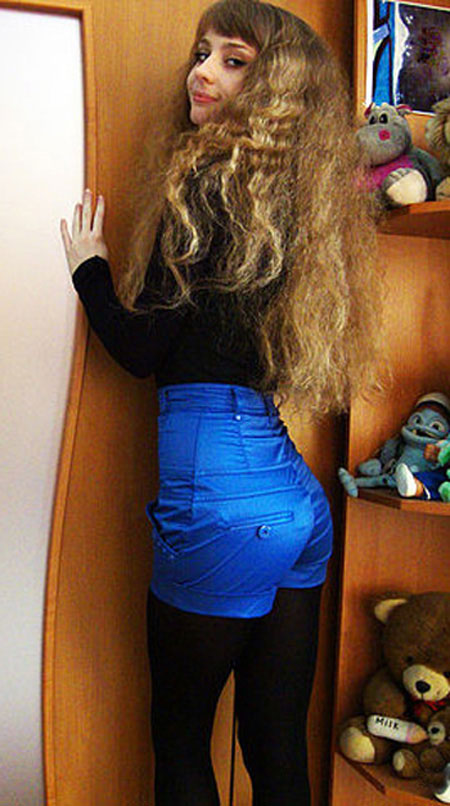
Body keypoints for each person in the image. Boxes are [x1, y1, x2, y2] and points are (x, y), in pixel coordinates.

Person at [61, 1, 382, 804]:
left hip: (221, 501)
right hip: (294, 500)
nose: (201, 72)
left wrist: (90, 267)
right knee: (275, 746)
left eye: (233, 60)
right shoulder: (300, 208)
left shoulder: (201, 188)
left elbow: (141, 352)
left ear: (274, 88)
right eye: (203, 52)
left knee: (179, 745)